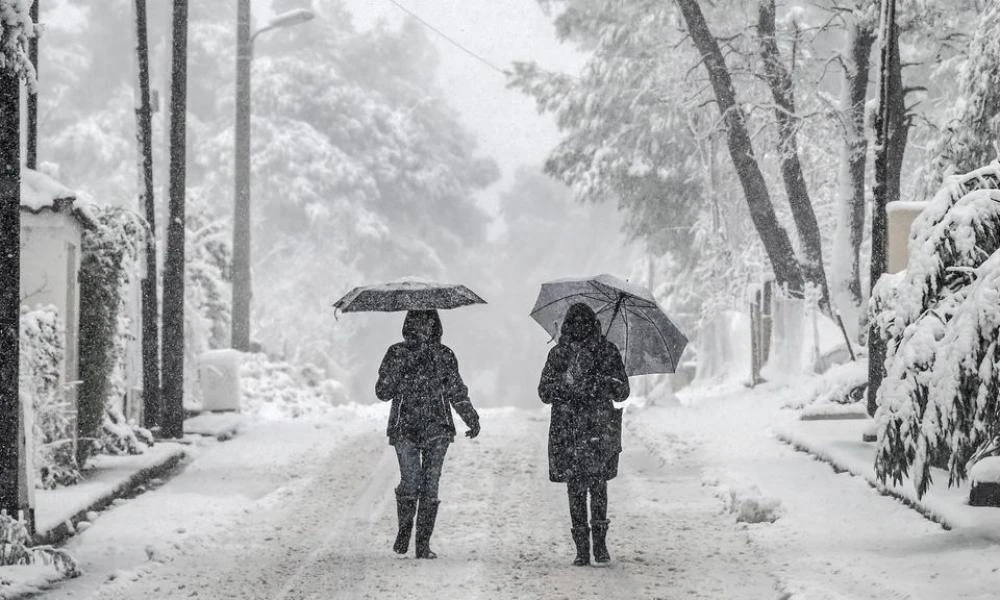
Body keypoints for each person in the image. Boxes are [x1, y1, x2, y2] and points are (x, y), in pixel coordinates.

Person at [375, 309, 480, 559]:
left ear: (435, 326)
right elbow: (382, 391)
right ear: (409, 326)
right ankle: (404, 529)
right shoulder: (396, 353)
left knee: (430, 486)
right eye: (418, 324)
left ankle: (422, 544)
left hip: (438, 429)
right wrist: (401, 368)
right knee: (411, 482)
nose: (423, 328)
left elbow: (456, 390)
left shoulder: (444, 355)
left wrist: (470, 417)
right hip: (405, 429)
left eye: (428, 324)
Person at [538, 303, 629, 566]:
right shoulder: (558, 355)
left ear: (593, 325)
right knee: (575, 489)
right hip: (568, 431)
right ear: (567, 327)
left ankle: (599, 546)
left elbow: (622, 390)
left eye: (584, 324)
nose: (579, 329)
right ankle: (581, 549)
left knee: (598, 486)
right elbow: (544, 392)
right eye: (574, 325)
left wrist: (597, 380)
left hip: (598, 430)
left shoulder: (606, 351)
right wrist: (565, 383)